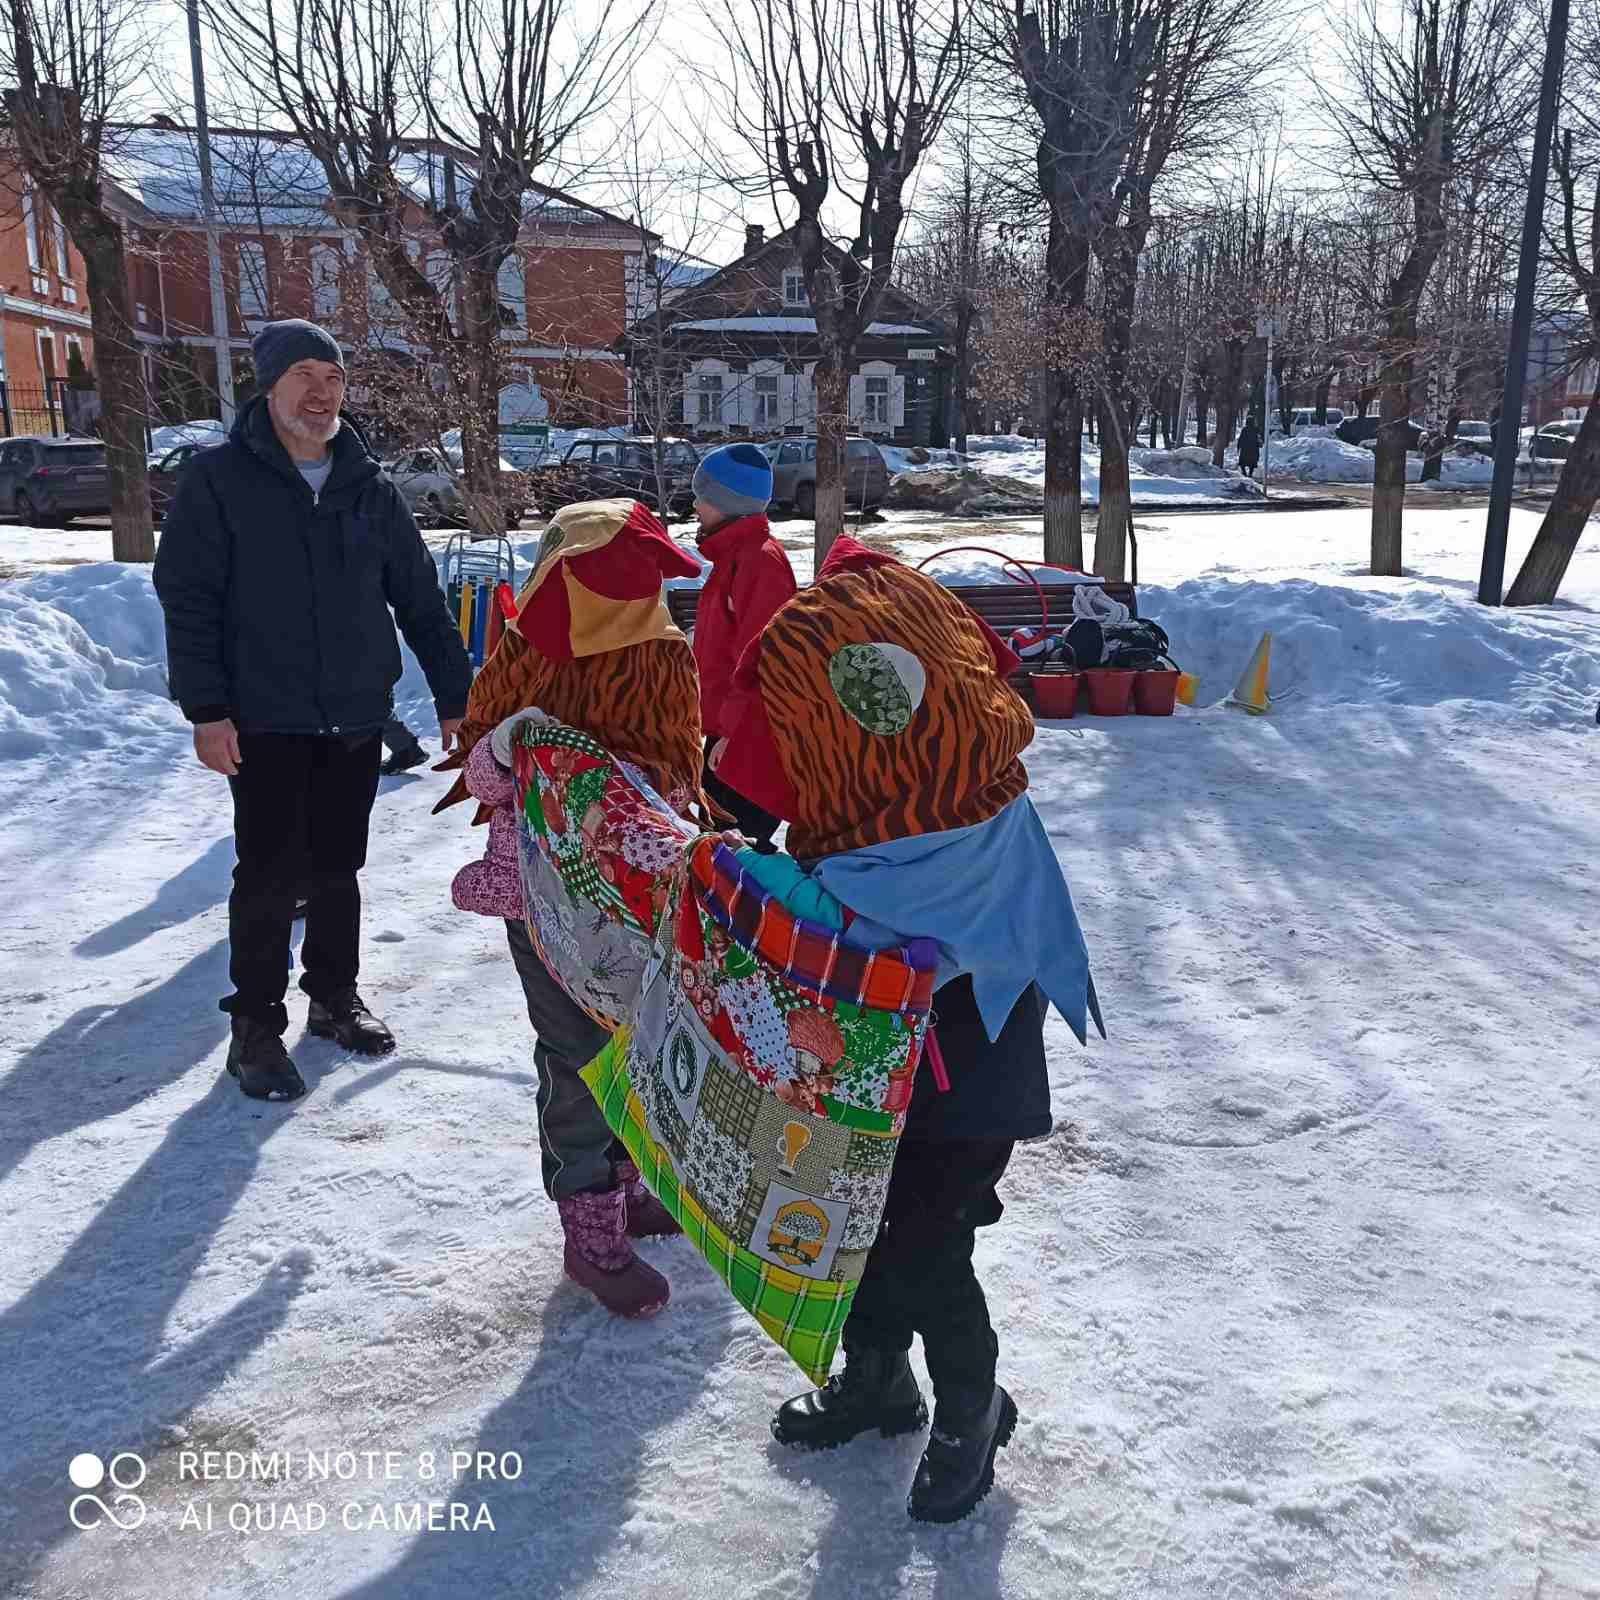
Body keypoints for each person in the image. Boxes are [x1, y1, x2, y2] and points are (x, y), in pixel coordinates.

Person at [714, 536, 1102, 1524]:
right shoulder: (957, 707)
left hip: (959, 1029)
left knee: (927, 1233)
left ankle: (972, 1406)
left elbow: (737, 797)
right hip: (878, 1024)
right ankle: (880, 1380)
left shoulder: (804, 668)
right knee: (867, 1213)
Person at [154, 319, 473, 1103]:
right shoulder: (219, 480)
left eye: (333, 377)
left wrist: (457, 696)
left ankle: (332, 997)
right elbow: (188, 600)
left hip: (355, 715)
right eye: (304, 374)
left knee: (338, 869)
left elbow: (420, 600)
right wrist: (207, 708)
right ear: (268, 386)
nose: (322, 392)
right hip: (263, 716)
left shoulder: (369, 485)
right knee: (267, 876)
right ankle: (254, 1027)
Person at [436, 498, 707, 1316]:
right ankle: (588, 1221)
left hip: (635, 897)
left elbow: (677, 758)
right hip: (546, 904)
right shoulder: (525, 653)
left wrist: (632, 796)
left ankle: (622, 1189)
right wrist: (512, 749)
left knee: (634, 1041)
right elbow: (483, 754)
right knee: (575, 1055)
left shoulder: (659, 655)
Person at [689, 443, 796, 849]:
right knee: (716, 850)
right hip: (726, 730)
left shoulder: (758, 562)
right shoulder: (732, 557)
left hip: (748, 734)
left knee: (736, 855)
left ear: (727, 502)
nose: (696, 503)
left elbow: (762, 656)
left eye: (703, 495)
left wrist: (734, 734)